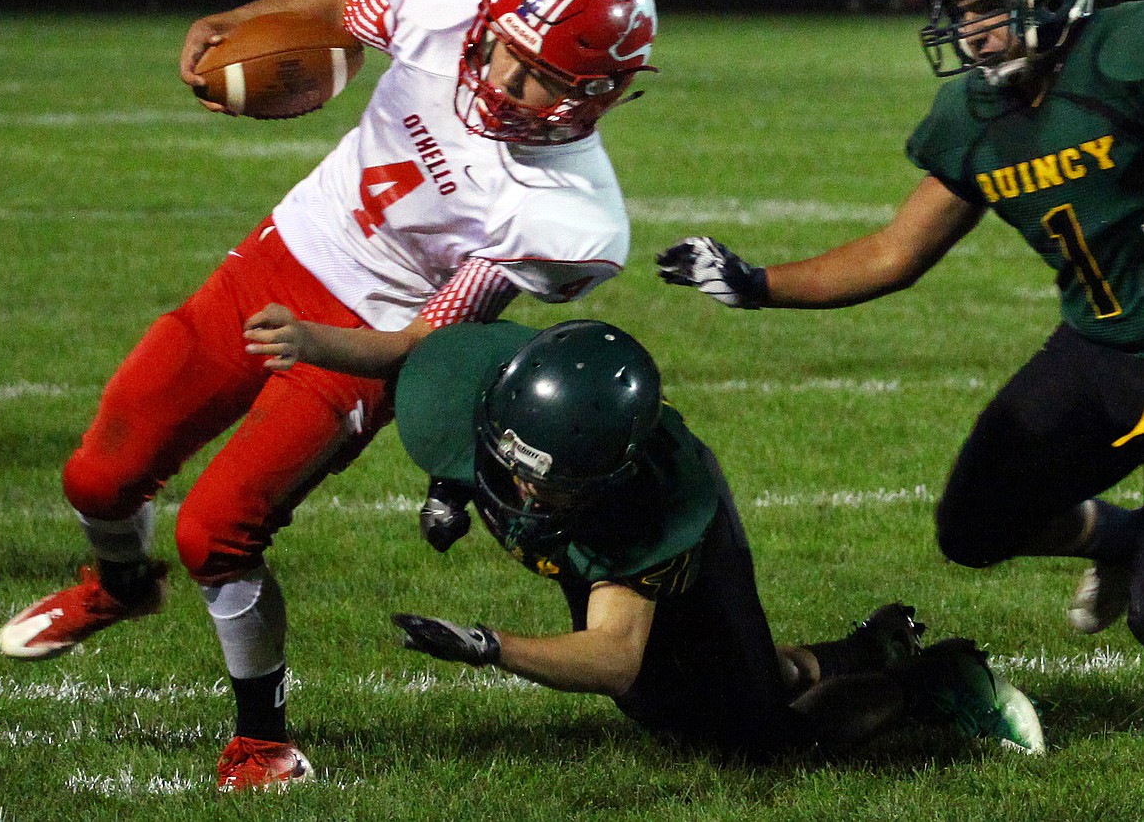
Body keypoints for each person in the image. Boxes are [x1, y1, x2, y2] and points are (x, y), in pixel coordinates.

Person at [0, 0, 658, 791]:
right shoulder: (456, 0)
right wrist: (240, 24)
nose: (495, 77)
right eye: (499, 49)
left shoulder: (569, 215)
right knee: (99, 473)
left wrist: (314, 343)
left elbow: (429, 339)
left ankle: (262, 740)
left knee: (215, 532)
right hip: (283, 254)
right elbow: (339, 10)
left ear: (593, 96)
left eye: (533, 76)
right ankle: (121, 583)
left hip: (366, 337)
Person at [657, 0, 1144, 648]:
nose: (971, 27)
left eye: (989, 4)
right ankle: (1122, 537)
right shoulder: (973, 116)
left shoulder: (1125, 50)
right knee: (975, 525)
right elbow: (895, 252)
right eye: (958, 9)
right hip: (1101, 345)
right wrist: (758, 283)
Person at [266, 314, 1043, 759]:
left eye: (553, 482)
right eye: (514, 466)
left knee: (750, 737)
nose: (527, 490)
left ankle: (935, 679)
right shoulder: (473, 387)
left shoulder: (652, 505)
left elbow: (611, 655)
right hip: (567, 480)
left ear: (608, 472)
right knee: (678, 697)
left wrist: (487, 643)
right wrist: (447, 482)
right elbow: (412, 356)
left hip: (674, 540)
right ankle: (870, 648)